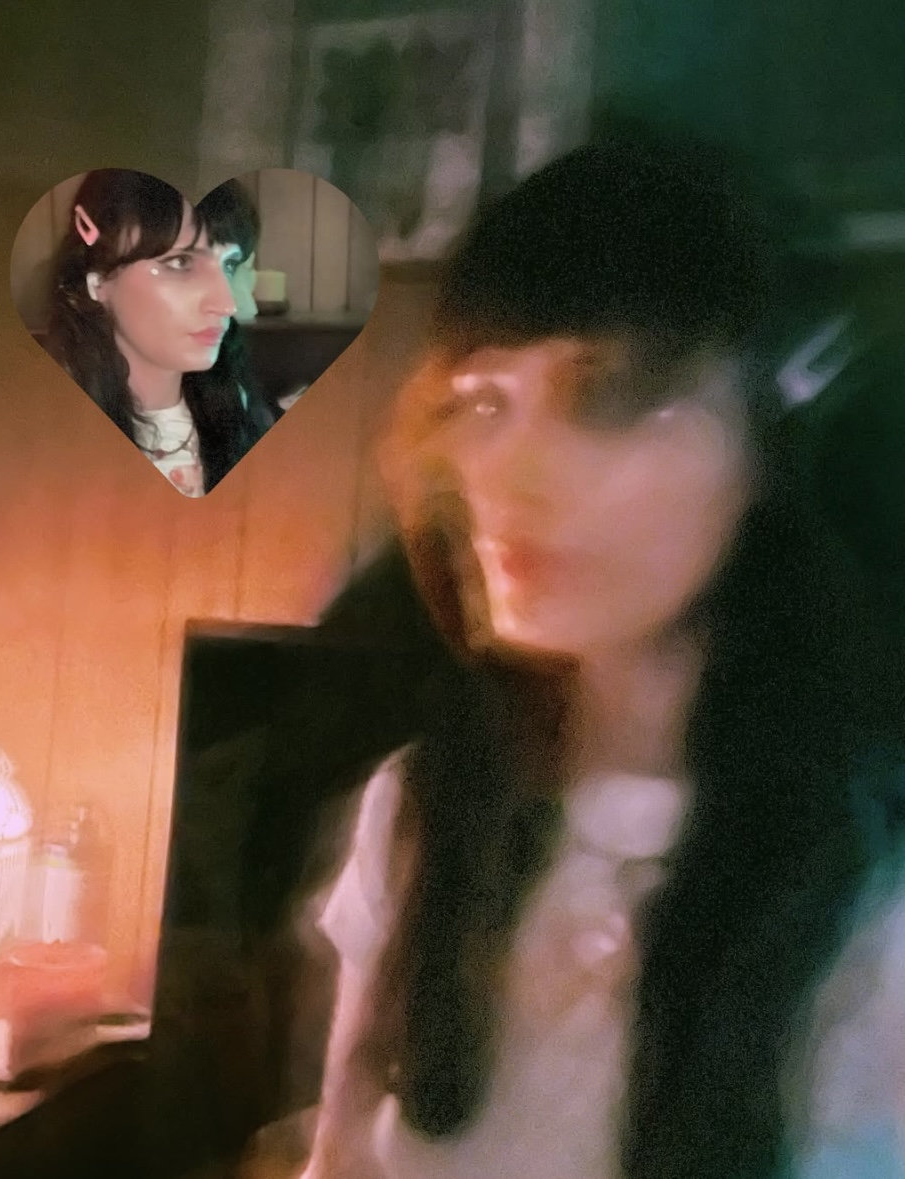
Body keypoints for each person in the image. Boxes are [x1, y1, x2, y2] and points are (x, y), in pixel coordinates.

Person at [286, 130, 905, 1179]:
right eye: (483, 402)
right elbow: (339, 1161)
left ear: (768, 440)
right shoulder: (421, 810)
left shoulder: (871, 889)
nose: (507, 473)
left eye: (606, 394)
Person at [46, 169, 275, 497]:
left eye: (229, 265)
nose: (226, 304)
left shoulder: (241, 410)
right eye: (181, 262)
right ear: (97, 281)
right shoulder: (44, 436)